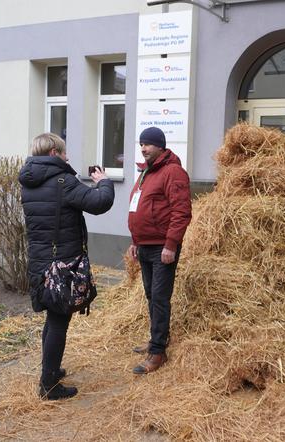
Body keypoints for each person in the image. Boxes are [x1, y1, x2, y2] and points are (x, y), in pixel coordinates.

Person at [19, 133, 115, 399]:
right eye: (64, 152)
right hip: (62, 263)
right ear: (53, 153)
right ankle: (49, 385)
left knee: (53, 318)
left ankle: (50, 370)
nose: (68, 157)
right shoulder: (63, 181)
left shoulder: (29, 181)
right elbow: (99, 203)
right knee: (59, 319)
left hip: (41, 259)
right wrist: (104, 182)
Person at [128, 127, 192, 374]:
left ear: (160, 146)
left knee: (160, 298)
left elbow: (181, 212)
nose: (143, 148)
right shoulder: (146, 173)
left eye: (148, 144)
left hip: (161, 248)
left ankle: (158, 352)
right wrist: (135, 241)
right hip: (144, 246)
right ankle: (156, 339)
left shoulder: (173, 172)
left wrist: (170, 244)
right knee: (151, 296)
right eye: (141, 144)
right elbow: (138, 208)